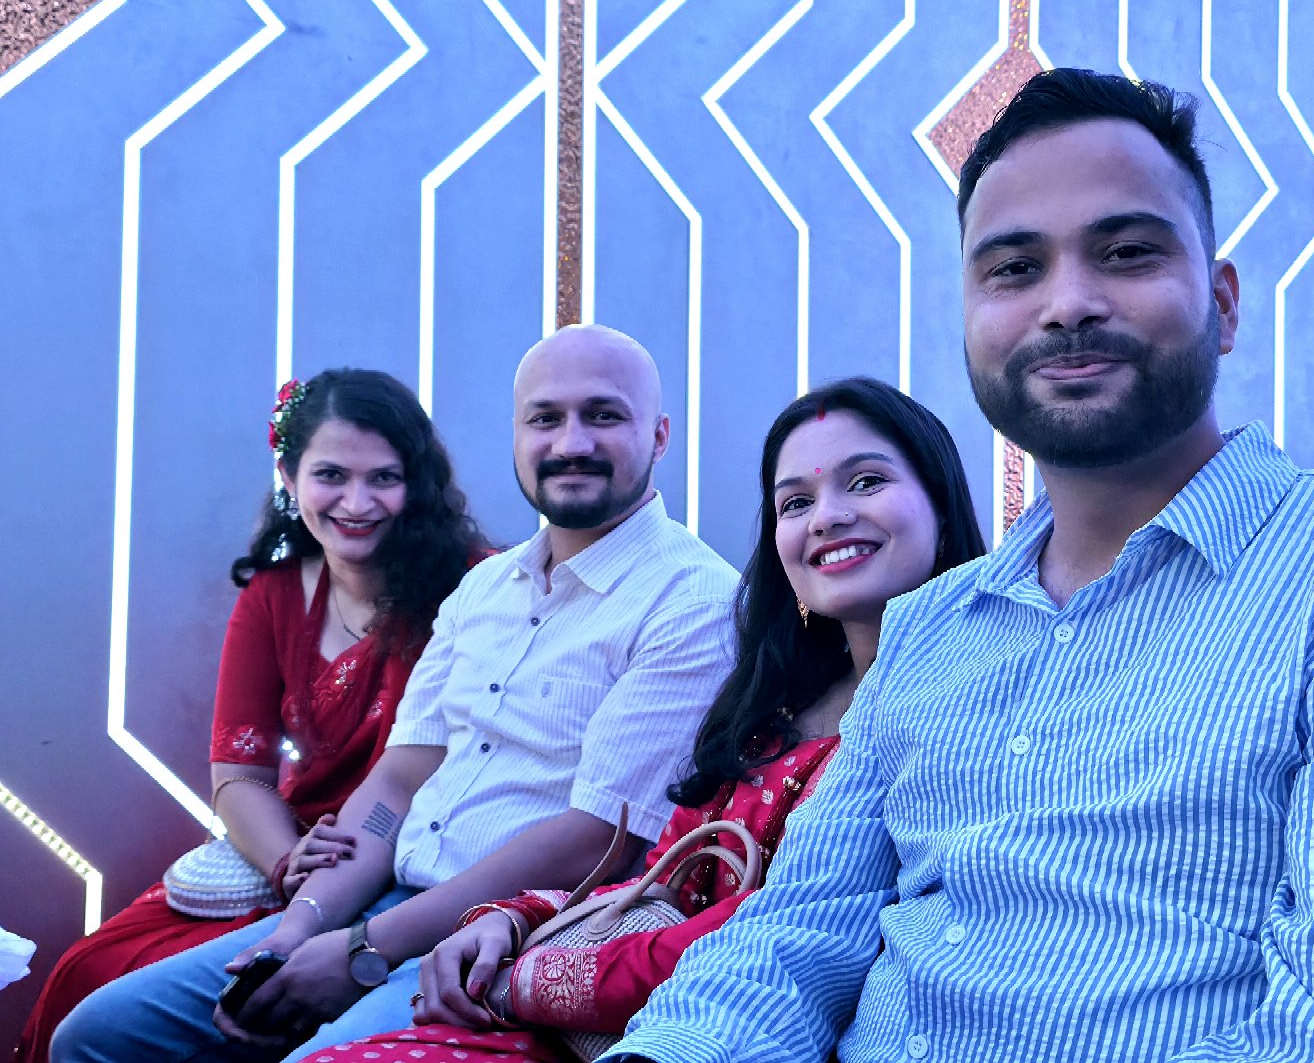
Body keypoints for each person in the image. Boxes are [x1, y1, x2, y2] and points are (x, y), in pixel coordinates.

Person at [602, 69, 1314, 1063]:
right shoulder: (930, 626)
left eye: (1127, 252)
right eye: (1015, 268)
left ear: (1224, 304)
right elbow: (793, 935)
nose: (1067, 303)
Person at [51, 325, 740, 1063]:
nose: (570, 442)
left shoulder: (692, 599)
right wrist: (300, 927)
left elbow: (600, 837)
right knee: (98, 1034)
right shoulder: (487, 587)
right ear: (516, 436)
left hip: (507, 937)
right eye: (545, 418)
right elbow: (400, 780)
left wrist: (364, 949)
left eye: (603, 415)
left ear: (659, 435)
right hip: (377, 902)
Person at [320, 377, 986, 1062]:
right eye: (796, 502)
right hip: (589, 1009)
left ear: (940, 501)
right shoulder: (772, 708)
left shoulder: (968, 712)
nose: (826, 517)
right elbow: (661, 882)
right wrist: (510, 920)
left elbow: (769, 932)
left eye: (867, 482)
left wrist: (522, 980)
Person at [16, 367, 491, 1063]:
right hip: (306, 852)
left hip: (430, 859)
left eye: (383, 479)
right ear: (289, 477)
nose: (357, 502)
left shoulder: (482, 585)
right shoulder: (273, 596)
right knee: (90, 974)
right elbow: (239, 774)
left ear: (416, 484)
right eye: (331, 475)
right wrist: (286, 862)